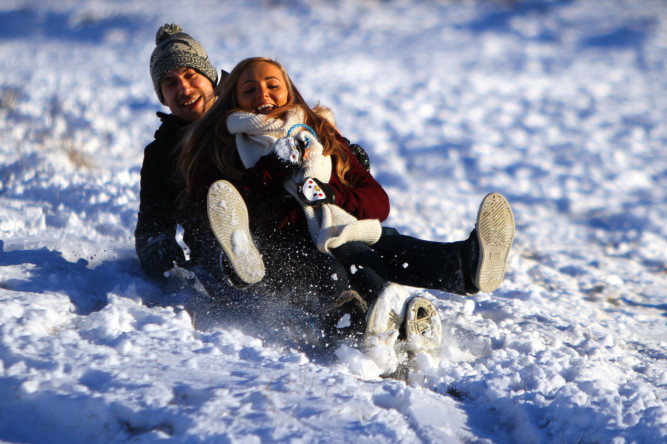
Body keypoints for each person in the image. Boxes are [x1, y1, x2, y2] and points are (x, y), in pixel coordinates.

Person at [178, 58, 516, 370]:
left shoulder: (321, 135)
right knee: (339, 272)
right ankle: (375, 328)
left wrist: (333, 194)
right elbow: (238, 208)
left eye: (272, 84)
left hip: (338, 229)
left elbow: (377, 203)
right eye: (249, 89)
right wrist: (275, 164)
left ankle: (466, 264)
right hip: (282, 245)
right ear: (235, 100)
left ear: (289, 90)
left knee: (381, 246)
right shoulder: (223, 145)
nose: (263, 94)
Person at [135, 23, 222, 281]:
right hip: (217, 259)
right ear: (162, 95)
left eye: (190, 74)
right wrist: (162, 261)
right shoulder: (162, 154)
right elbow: (153, 226)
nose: (184, 89)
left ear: (210, 76)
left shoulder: (250, 112)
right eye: (170, 83)